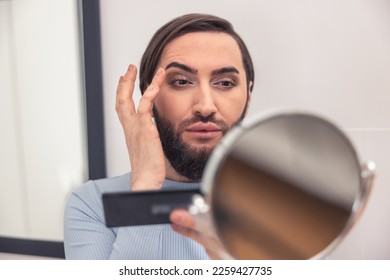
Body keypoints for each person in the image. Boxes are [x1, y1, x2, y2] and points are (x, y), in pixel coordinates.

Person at [64, 13, 254, 259]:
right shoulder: (91, 205)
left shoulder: (285, 204)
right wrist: (145, 194)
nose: (205, 106)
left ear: (248, 96)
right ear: (149, 96)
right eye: (182, 81)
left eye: (226, 83)